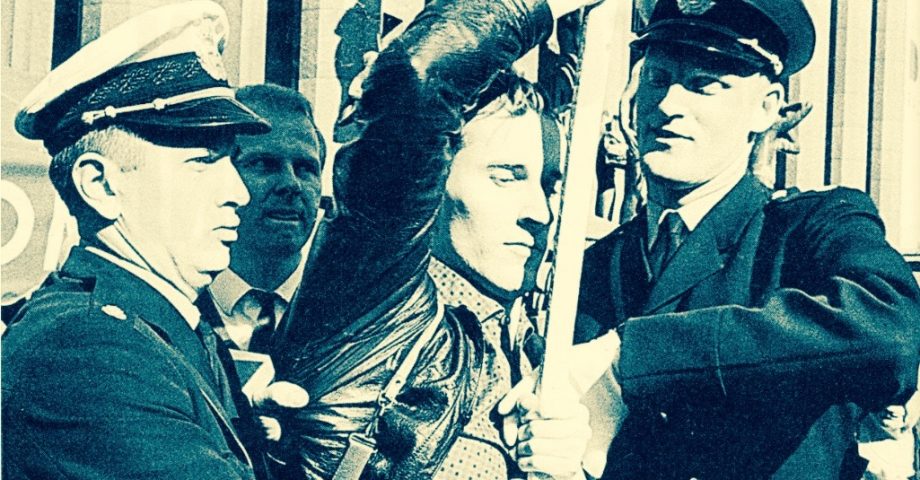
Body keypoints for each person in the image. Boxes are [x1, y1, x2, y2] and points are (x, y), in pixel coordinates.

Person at [575, 0, 920, 479]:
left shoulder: (809, 228)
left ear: (766, 108)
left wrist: (630, 357)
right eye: (657, 78)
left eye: (704, 85)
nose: (669, 105)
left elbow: (892, 334)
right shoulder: (596, 263)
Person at [269, 0, 599, 478]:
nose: (539, 212)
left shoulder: (530, 347)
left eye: (549, 185)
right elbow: (420, 77)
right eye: (506, 177)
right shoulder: (375, 302)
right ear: (432, 180)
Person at [1, 2, 279, 478]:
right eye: (203, 161)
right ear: (101, 185)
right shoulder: (88, 354)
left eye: (232, 160)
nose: (239, 192)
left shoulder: (157, 324)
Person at [198, 84, 326, 354]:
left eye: (305, 168)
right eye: (263, 164)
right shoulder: (173, 307)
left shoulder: (348, 312)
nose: (291, 184)